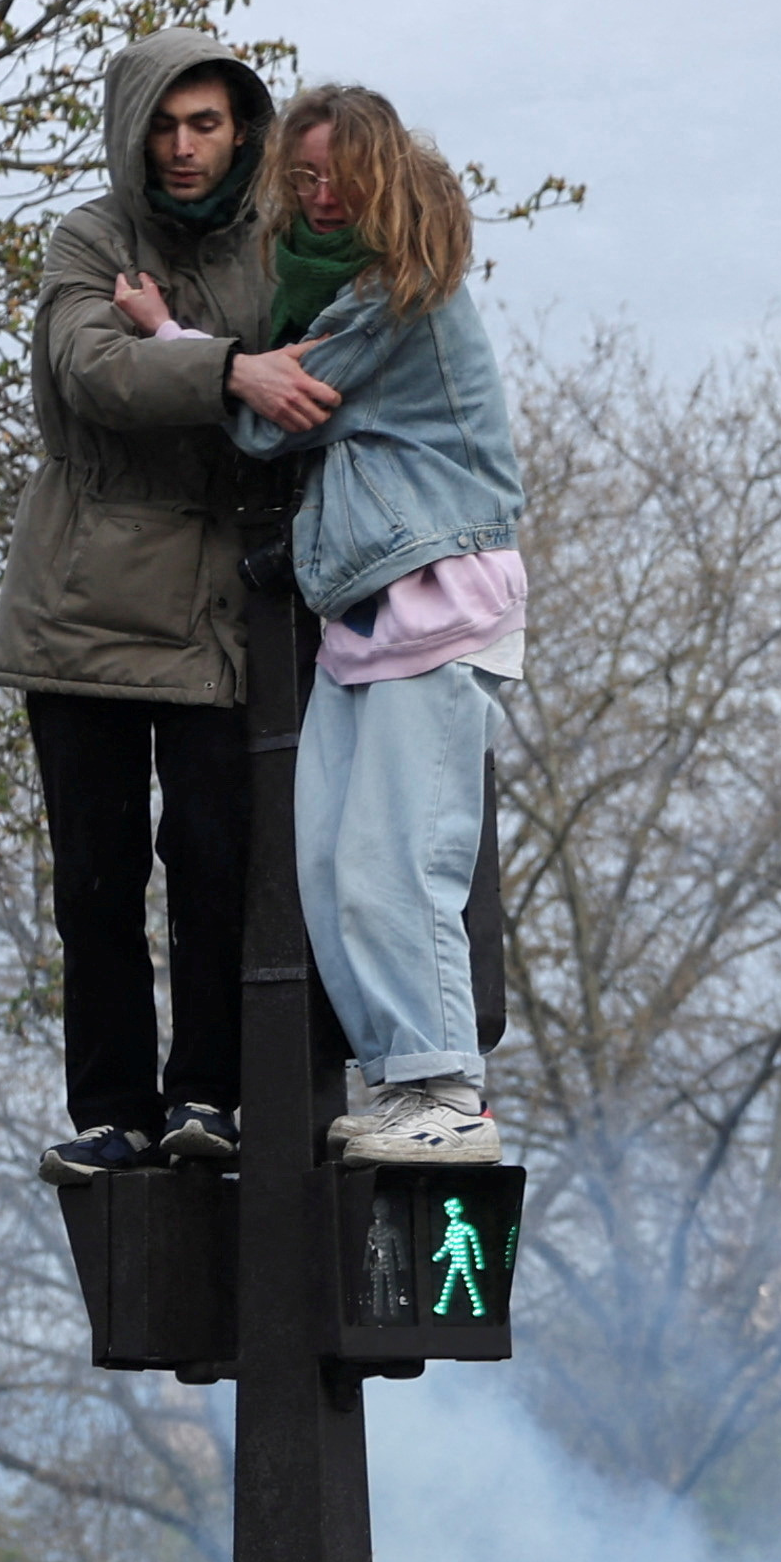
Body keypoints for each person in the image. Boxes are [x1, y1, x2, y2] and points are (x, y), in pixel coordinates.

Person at [0, 31, 327, 1186]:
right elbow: (91, 375)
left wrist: (203, 352)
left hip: (222, 612)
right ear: (132, 127)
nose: (183, 149)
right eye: (164, 125)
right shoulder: (89, 239)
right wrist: (232, 369)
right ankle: (114, 1112)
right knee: (94, 878)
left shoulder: (280, 244)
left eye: (208, 125)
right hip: (80, 609)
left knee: (214, 860)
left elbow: (324, 378)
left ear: (244, 131)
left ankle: (207, 1095)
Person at [192, 84, 522, 1166]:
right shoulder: (341, 294)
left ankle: (445, 1088)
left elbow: (270, 413)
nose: (320, 196)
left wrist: (169, 338)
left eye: (339, 175)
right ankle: (404, 1076)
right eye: (302, 178)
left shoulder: (400, 294)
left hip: (432, 592)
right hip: (368, 609)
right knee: (329, 857)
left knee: (399, 851)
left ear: (383, 175)